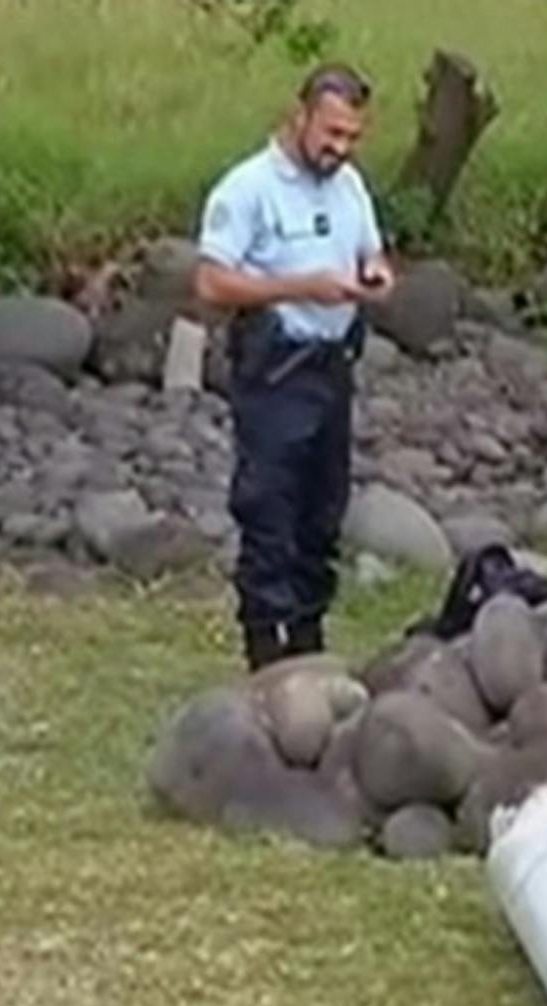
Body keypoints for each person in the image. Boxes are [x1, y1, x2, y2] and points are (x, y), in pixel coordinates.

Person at [194, 63, 397, 671]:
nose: (340, 149)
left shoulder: (350, 186)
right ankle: (264, 649)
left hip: (334, 364)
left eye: (352, 137)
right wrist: (300, 285)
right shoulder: (246, 189)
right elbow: (209, 282)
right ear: (300, 115)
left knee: (322, 512)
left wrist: (377, 276)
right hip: (275, 367)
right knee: (268, 510)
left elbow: (372, 251)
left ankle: (309, 640)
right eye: (331, 133)